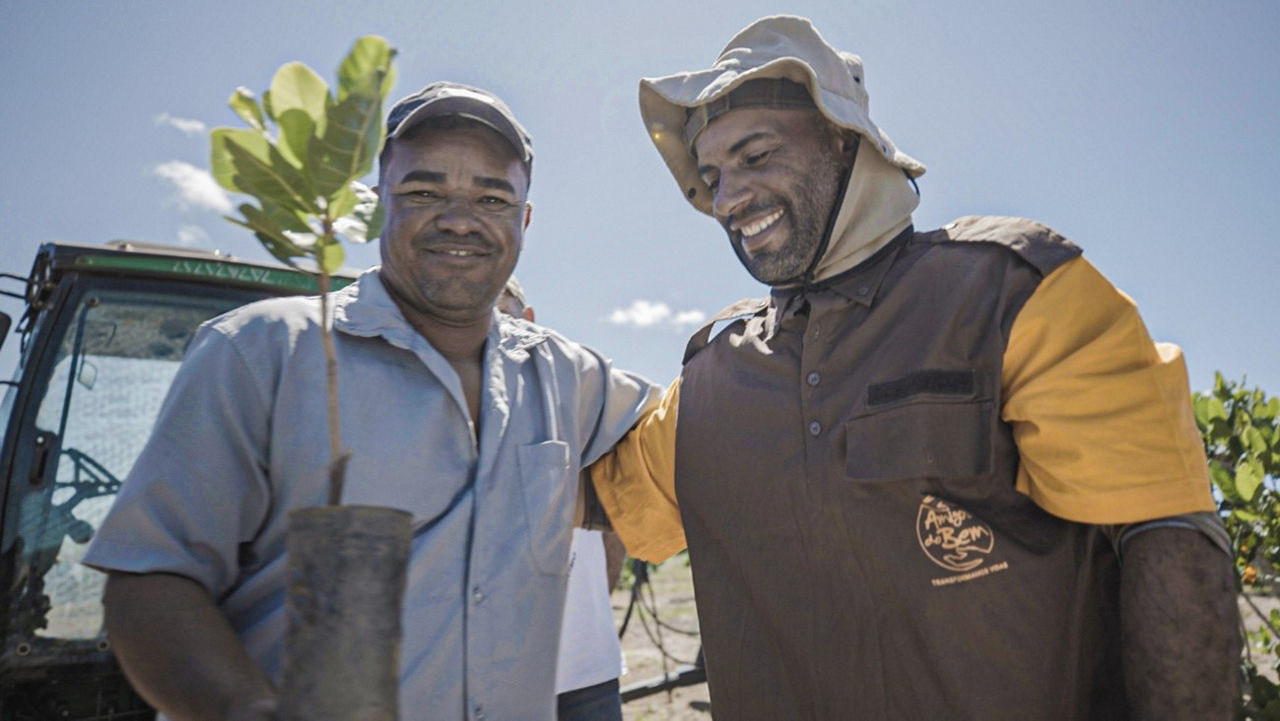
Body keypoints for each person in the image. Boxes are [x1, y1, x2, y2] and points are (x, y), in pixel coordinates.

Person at [589, 15, 1241, 720]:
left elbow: (1163, 529)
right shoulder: (708, 385)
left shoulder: (1014, 295)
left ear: (845, 138)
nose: (727, 198)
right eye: (712, 176)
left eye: (755, 155)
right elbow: (596, 498)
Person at [83, 81, 660, 721]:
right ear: (376, 203)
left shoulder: (564, 376)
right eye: (423, 191)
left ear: (523, 220)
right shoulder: (260, 351)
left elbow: (695, 434)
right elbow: (152, 579)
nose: (458, 218)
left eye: (491, 198)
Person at [498, 277, 626, 721]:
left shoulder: (577, 400)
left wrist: (589, 615)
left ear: (528, 320)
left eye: (503, 312)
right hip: (493, 685)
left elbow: (614, 521)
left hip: (586, 675)